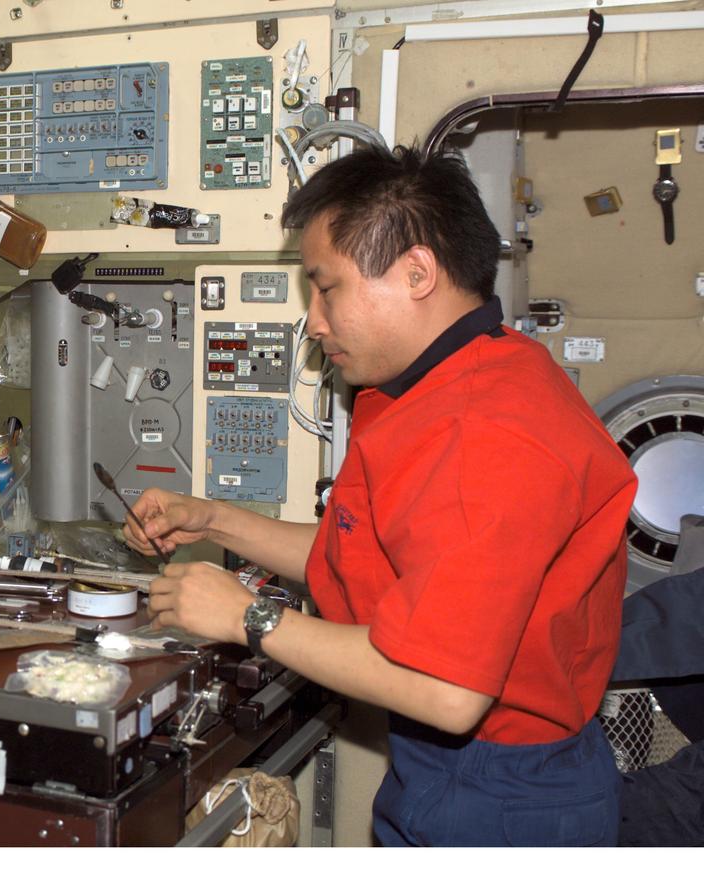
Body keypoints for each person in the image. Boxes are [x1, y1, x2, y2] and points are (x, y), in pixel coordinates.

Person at [124, 145, 637, 847]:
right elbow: (356, 556)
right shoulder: (439, 386)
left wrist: (250, 616)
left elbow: (448, 691)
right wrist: (212, 518)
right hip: (446, 771)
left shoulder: (493, 432)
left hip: (509, 798)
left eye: (326, 287)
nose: (315, 319)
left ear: (418, 272)